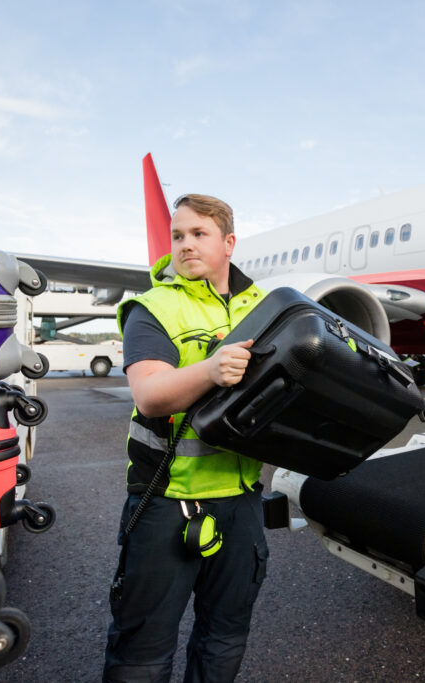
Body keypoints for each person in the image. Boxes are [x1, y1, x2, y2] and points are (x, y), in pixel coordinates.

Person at [104, 194, 268, 683]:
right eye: (178, 236)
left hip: (241, 502)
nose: (185, 245)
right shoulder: (152, 307)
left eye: (199, 234)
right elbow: (151, 395)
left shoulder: (263, 307)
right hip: (165, 500)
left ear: (228, 242)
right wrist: (212, 369)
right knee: (143, 652)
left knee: (224, 640)